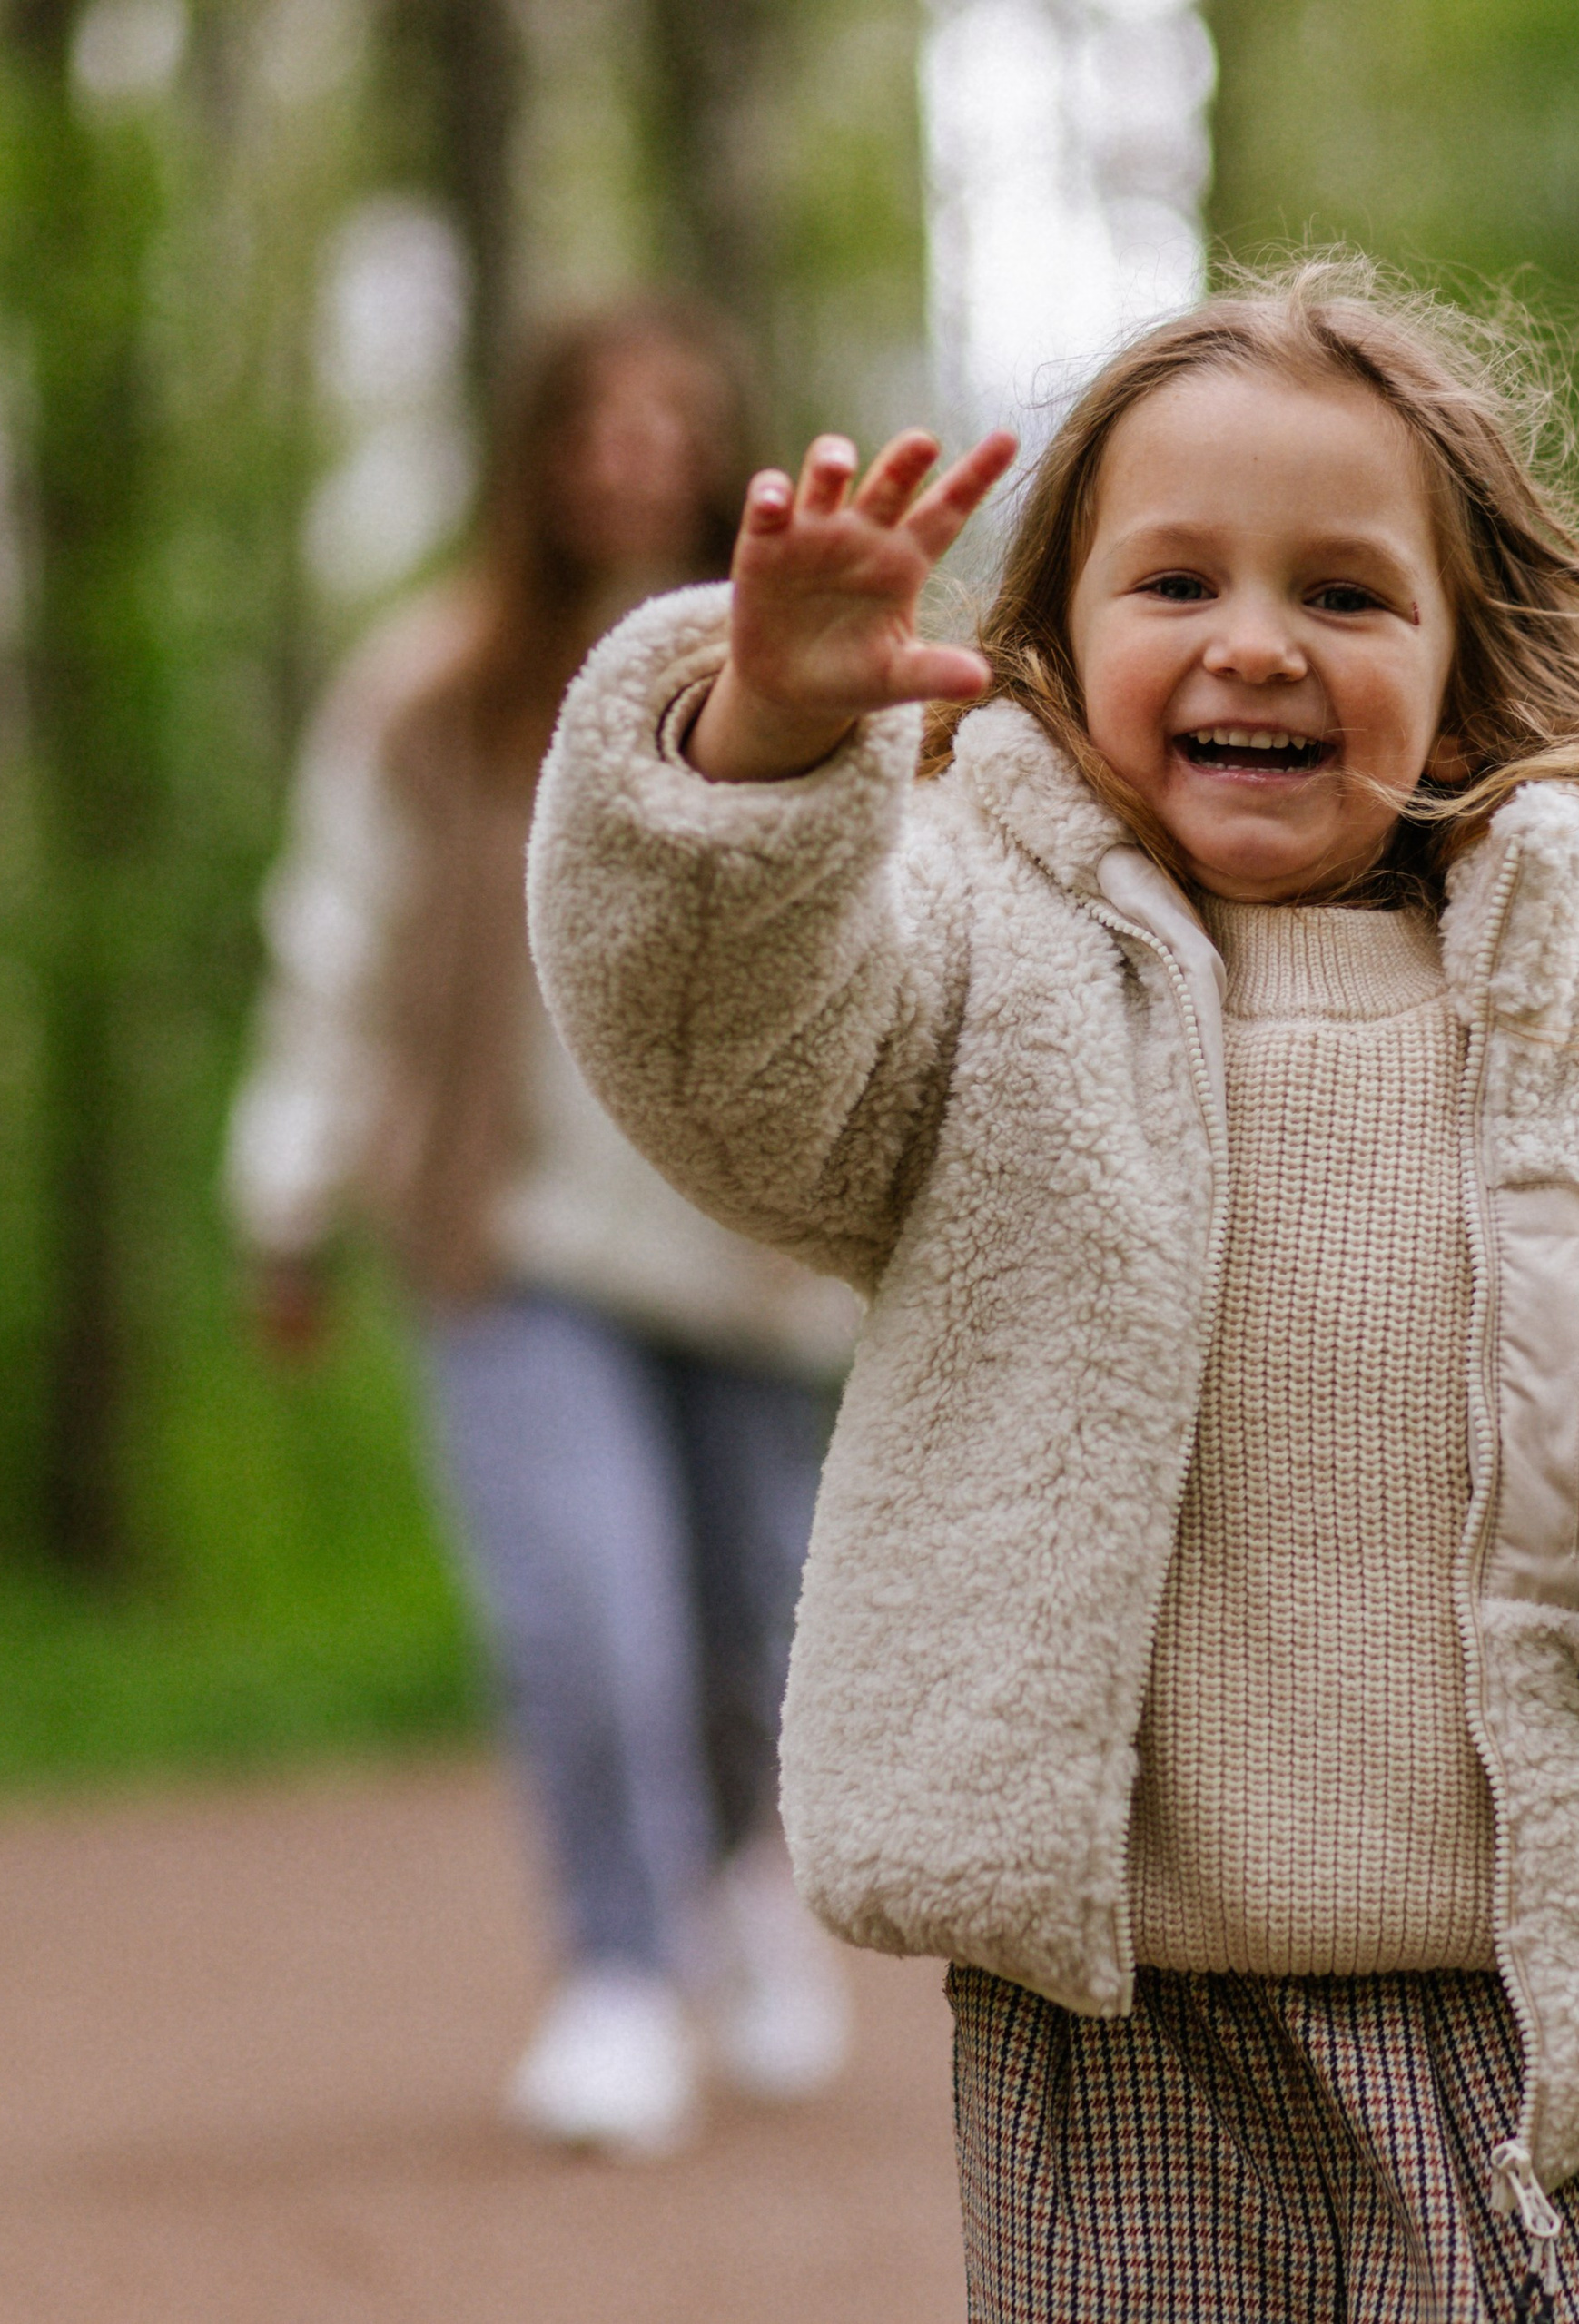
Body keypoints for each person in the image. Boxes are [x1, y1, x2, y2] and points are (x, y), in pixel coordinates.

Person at [527, 259, 1579, 2314]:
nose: (1255, 642)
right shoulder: (982, 966)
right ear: (1060, 629)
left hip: (1533, 2024)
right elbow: (726, 1059)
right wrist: (764, 734)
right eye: (1176, 584)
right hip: (1120, 2023)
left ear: (1458, 653)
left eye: (1341, 594)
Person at [227, 298, 859, 2161]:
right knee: (589, 1615)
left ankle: (741, 1871)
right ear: (534, 448)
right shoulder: (428, 687)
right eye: (592, 414)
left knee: (760, 1618)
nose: (628, 448)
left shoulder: (804, 670)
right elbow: (331, 942)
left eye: (669, 412)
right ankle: (614, 1968)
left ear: (725, 434)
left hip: (743, 1234)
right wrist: (287, 1192)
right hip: (502, 1227)